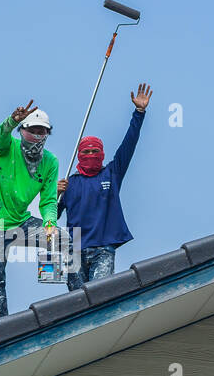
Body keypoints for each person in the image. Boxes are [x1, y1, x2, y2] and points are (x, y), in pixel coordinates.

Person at [56, 82, 152, 290]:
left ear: (102, 154)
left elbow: (129, 144)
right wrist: (53, 194)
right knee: (76, 303)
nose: (91, 156)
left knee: (99, 295)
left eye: (95, 152)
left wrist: (139, 112)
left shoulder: (112, 173)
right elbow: (50, 217)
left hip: (103, 249)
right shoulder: (69, 183)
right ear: (79, 156)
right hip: (74, 250)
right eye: (86, 152)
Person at [0, 99, 59, 319]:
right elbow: (0, 135)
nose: (37, 137)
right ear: (22, 131)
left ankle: (77, 298)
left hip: (20, 221)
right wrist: (12, 120)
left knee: (61, 240)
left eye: (42, 132)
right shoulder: (7, 148)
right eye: (32, 131)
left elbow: (49, 201)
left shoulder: (50, 162)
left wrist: (50, 222)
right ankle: (2, 327)